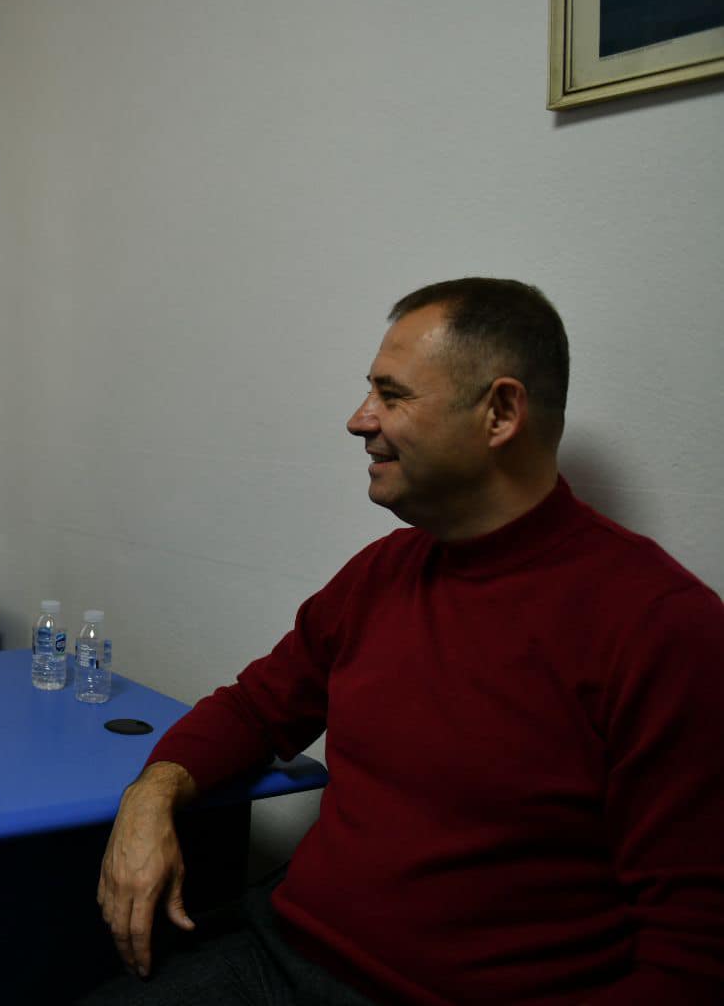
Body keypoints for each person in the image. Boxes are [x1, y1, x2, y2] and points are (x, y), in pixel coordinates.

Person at [92, 279, 724, 1003]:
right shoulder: (383, 574)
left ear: (500, 412)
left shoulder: (661, 627)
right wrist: (150, 795)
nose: (359, 420)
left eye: (391, 396)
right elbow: (254, 709)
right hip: (282, 956)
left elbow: (690, 952)